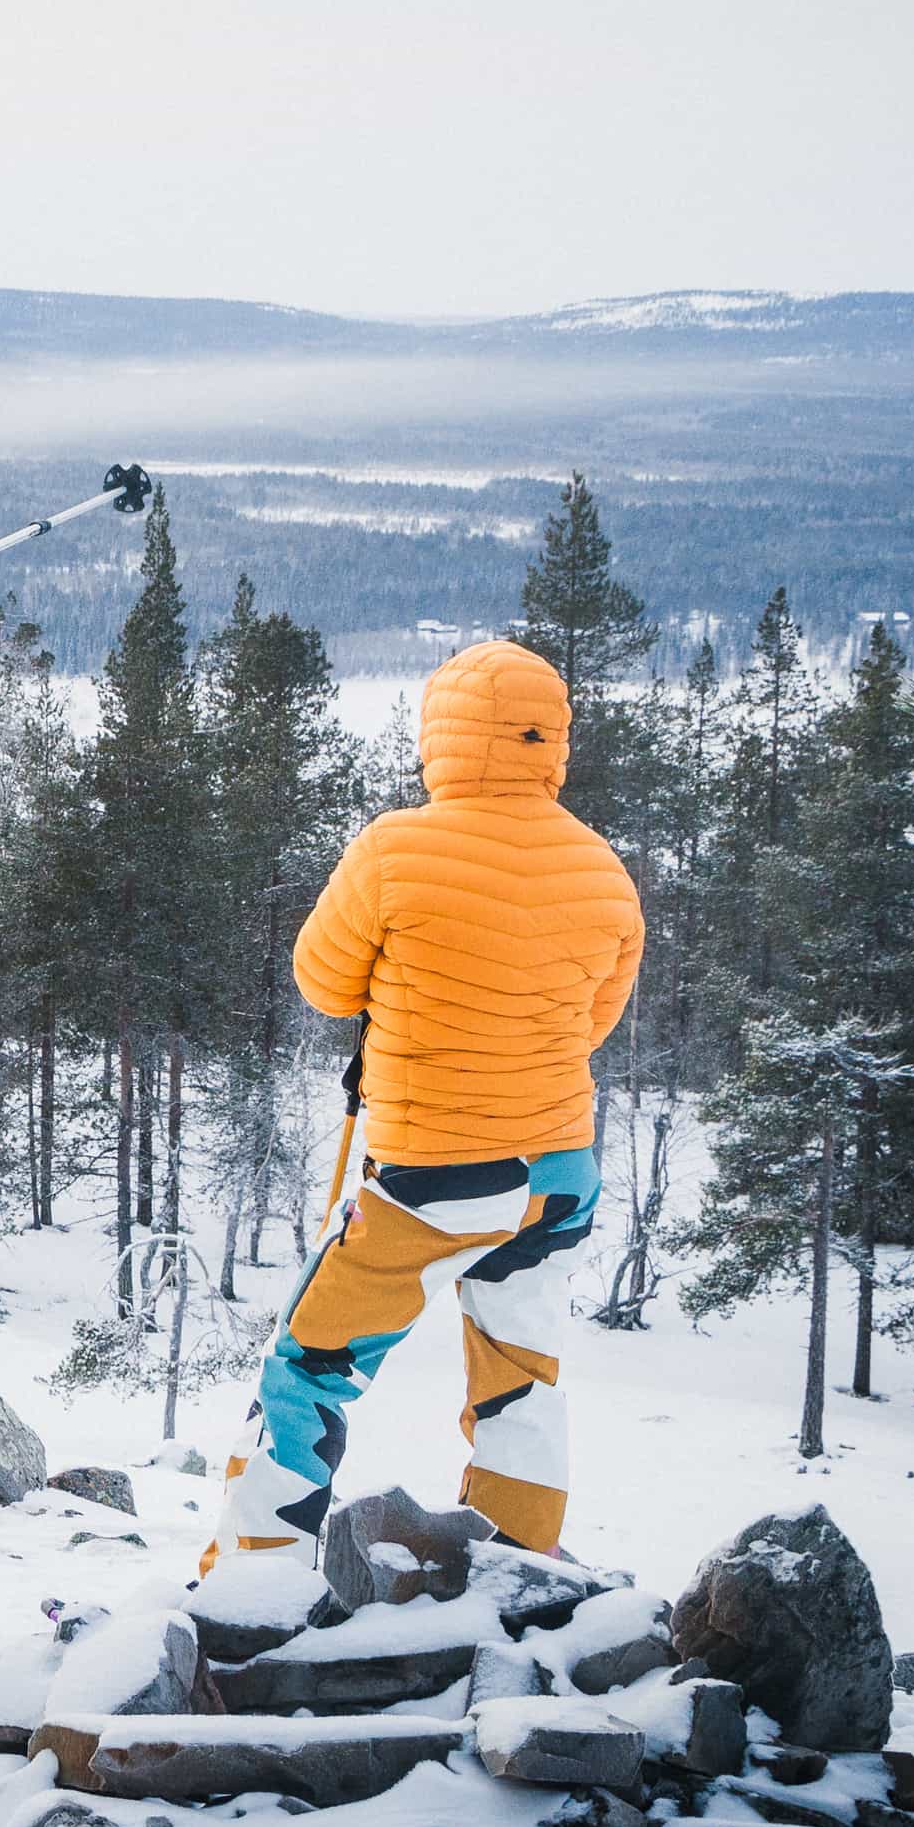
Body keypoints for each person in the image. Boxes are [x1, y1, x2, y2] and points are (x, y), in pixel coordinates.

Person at [213, 637, 644, 1564]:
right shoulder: (605, 869)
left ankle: (256, 1574)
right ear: (550, 740)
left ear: (443, 735)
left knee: (312, 1365)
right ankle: (522, 1558)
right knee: (522, 1370)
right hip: (561, 1171)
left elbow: (323, 982)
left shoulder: (394, 848)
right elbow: (591, 1023)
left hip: (432, 1175)